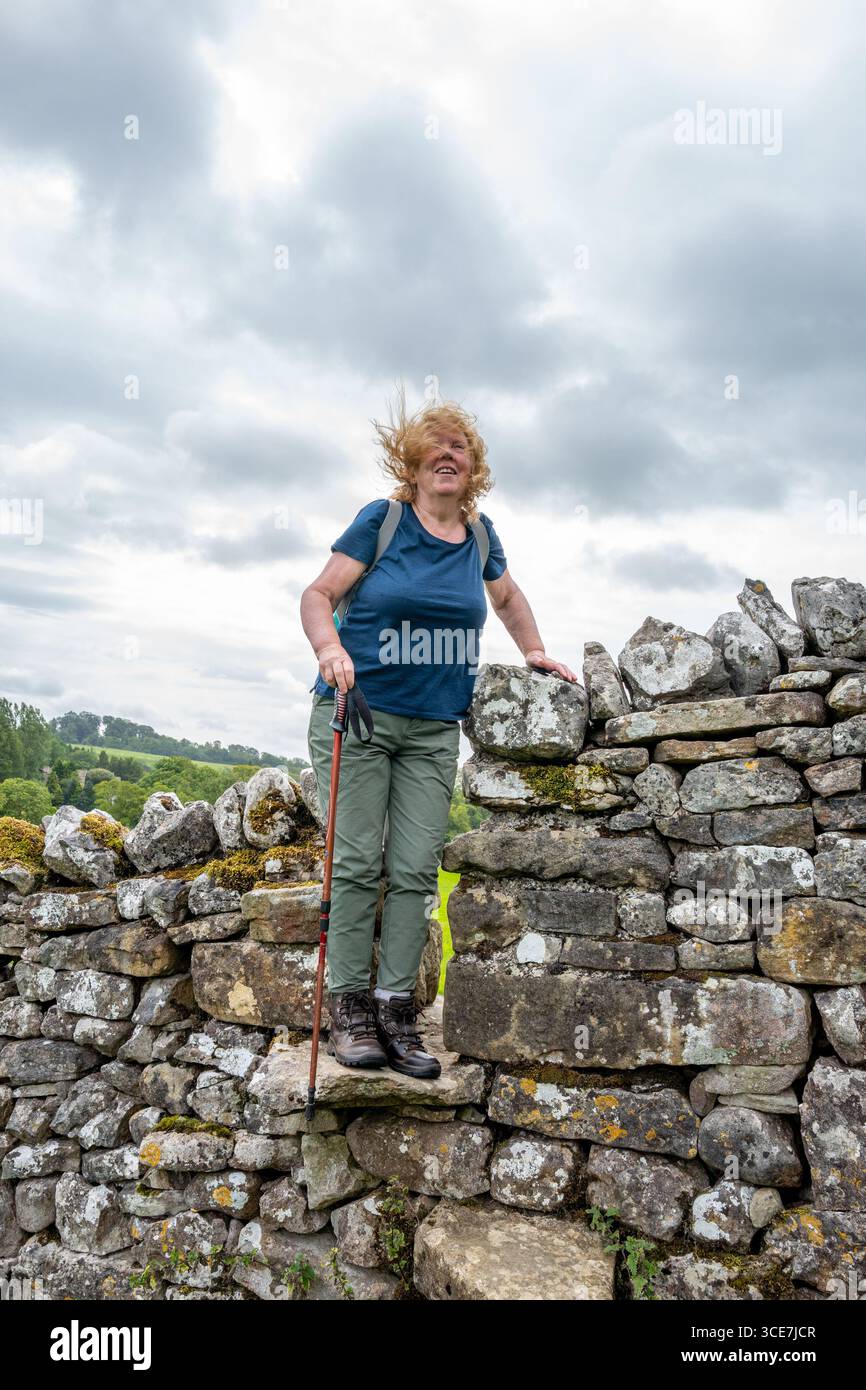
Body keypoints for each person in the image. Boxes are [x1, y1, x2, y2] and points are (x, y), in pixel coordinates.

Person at [299, 393, 578, 1078]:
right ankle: (350, 1011)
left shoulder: (481, 536)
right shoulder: (384, 520)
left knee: (417, 867)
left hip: (431, 729)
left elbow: (506, 598)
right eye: (436, 446)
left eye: (460, 447)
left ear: (473, 466)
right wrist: (329, 649)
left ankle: (398, 1013)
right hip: (357, 714)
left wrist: (536, 649)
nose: (448, 454)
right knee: (360, 862)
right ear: (415, 463)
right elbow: (317, 596)